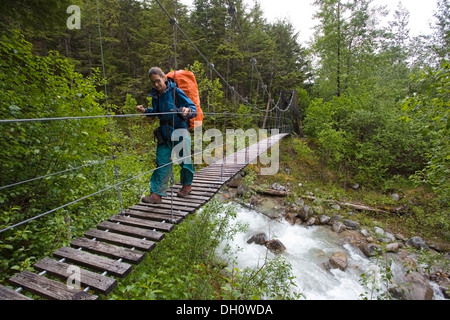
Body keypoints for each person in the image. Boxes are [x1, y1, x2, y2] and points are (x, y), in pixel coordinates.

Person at [136, 67, 197, 204]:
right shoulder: (155, 96)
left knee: (184, 160)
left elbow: (193, 108)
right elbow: (157, 112)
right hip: (164, 133)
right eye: (153, 83)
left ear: (164, 78)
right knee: (161, 162)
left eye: (158, 81)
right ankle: (157, 194)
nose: (156, 85)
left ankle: (187, 185)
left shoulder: (175, 92)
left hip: (180, 130)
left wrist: (188, 111)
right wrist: (145, 110)